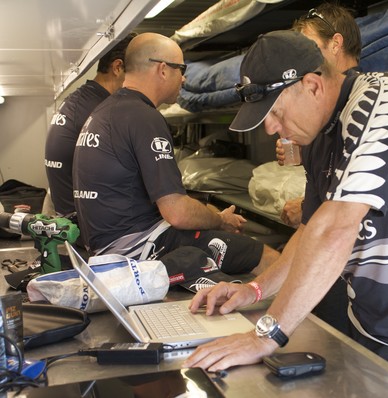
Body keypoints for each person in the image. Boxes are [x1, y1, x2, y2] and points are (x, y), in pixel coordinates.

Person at [184, 30, 388, 398]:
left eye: (275, 112)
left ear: (312, 86)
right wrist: (254, 290)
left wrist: (265, 335)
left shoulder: (381, 105)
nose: (270, 127)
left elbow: (335, 230)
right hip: (365, 318)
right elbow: (310, 230)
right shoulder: (320, 132)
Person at [72, 32, 279, 277]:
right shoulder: (142, 116)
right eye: (181, 69)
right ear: (162, 69)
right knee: (266, 257)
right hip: (137, 250)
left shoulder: (106, 111)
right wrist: (219, 219)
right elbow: (178, 213)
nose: (183, 78)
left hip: (107, 247)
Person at [276, 3, 361, 229]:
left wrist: (305, 207)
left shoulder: (365, 106)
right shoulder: (320, 111)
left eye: (308, 46)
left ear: (335, 44)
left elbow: (359, 198)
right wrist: (304, 148)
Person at [45, 33, 136, 218]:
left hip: (70, 215)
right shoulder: (102, 111)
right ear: (118, 67)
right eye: (137, 72)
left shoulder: (82, 99)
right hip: (84, 224)